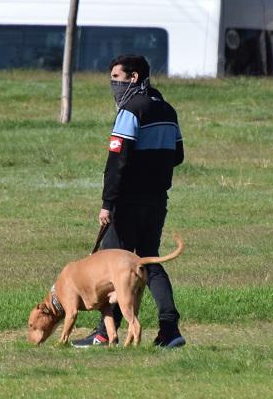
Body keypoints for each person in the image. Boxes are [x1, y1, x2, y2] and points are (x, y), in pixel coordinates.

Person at [71, 54, 186, 349]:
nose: (113, 85)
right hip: (157, 201)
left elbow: (117, 161)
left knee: (110, 266)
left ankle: (103, 332)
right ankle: (170, 328)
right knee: (149, 260)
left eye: (116, 78)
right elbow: (178, 155)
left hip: (128, 203)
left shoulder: (130, 110)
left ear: (133, 78)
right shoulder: (168, 110)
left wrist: (107, 203)